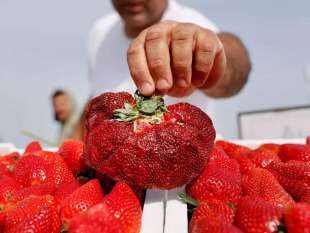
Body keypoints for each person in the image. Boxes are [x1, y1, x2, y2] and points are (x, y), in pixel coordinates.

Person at [73, 0, 251, 139]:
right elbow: (98, 97)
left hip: (182, 173)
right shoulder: (100, 32)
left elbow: (235, 70)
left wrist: (211, 58)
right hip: (116, 174)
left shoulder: (192, 23)